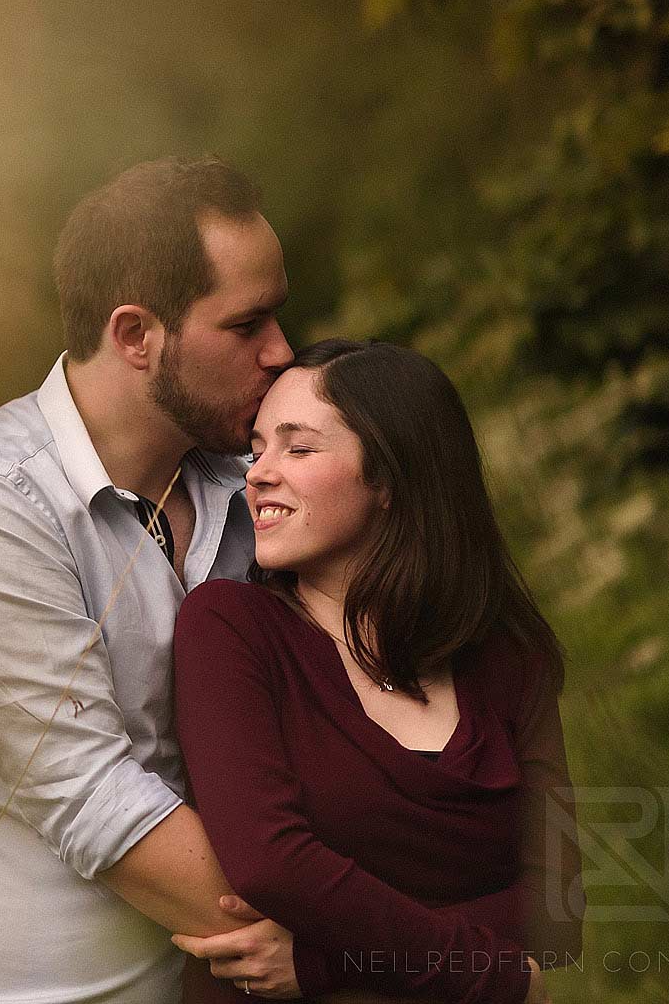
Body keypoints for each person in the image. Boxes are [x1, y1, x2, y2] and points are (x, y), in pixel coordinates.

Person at [0, 156, 308, 1004]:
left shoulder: (248, 482)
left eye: (278, 317)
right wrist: (371, 950)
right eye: (246, 324)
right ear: (136, 335)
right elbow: (94, 798)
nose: (280, 352)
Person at [170, 340, 584, 1003]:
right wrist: (497, 975)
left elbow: (557, 902)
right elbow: (272, 863)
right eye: (258, 448)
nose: (257, 473)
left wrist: (327, 962)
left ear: (390, 476)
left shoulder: (507, 655)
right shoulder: (229, 627)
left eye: (298, 448)